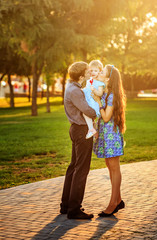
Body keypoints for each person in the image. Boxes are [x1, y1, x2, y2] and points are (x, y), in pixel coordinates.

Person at [60, 61, 97, 219]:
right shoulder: (75, 91)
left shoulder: (71, 87)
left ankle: (66, 205)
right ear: (81, 75)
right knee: (81, 170)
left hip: (76, 129)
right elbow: (88, 111)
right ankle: (74, 209)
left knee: (74, 167)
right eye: (88, 71)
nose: (90, 73)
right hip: (81, 131)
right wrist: (97, 110)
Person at [93, 64, 126, 217]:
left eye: (102, 72)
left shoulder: (111, 95)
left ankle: (113, 203)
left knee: (114, 167)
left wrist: (98, 101)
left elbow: (106, 118)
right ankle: (118, 199)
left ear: (108, 78)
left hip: (111, 135)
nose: (99, 73)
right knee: (109, 164)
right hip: (106, 135)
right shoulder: (107, 92)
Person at [83, 60, 105, 139]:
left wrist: (94, 90)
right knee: (85, 114)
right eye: (91, 70)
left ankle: (91, 129)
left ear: (100, 71)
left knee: (86, 113)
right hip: (87, 100)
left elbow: (100, 93)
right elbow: (87, 89)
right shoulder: (89, 81)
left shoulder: (99, 83)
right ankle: (93, 130)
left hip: (93, 101)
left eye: (96, 71)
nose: (93, 72)